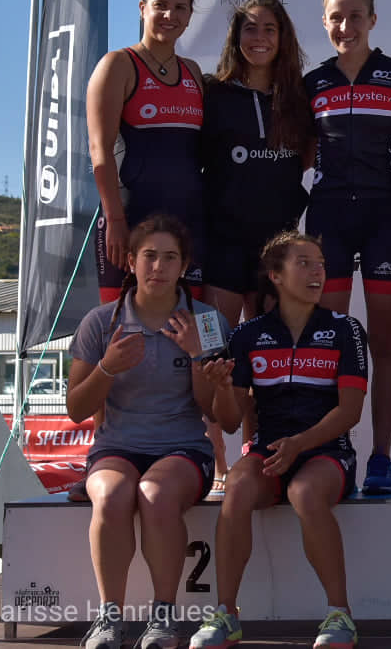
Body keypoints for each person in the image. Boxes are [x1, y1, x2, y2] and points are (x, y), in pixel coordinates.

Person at [190, 232, 368, 649]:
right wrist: (221, 388)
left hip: (328, 452)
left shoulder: (344, 329)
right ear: (275, 275)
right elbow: (229, 422)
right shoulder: (247, 335)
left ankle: (340, 615)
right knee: (236, 488)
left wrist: (300, 444)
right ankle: (226, 614)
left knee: (305, 492)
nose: (317, 272)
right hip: (269, 452)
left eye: (320, 263)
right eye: (304, 263)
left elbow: (350, 412)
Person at [66, 214, 225, 649]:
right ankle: (109, 618)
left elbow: (216, 412)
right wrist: (106, 368)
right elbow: (76, 409)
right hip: (117, 448)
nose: (158, 266)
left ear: (184, 266)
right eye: (149, 256)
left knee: (155, 494)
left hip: (184, 449)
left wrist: (198, 357)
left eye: (170, 257)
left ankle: (163, 617)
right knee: (111, 495)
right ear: (131, 261)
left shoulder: (206, 321)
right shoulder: (101, 322)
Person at [303, 0, 391, 495]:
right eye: (336, 18)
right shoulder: (313, 83)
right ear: (324, 22)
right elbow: (300, 157)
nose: (346, 27)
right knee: (330, 340)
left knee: (383, 342)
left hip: (382, 221)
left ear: (373, 20)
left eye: (355, 17)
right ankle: (332, 447)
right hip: (328, 221)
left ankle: (380, 457)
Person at [87, 0, 205, 303]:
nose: (170, 15)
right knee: (121, 324)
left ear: (190, 15)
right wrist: (114, 218)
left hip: (187, 220)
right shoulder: (118, 65)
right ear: (143, 8)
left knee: (188, 323)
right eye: (160, 5)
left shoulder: (193, 71)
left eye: (180, 8)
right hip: (131, 218)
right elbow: (99, 150)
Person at [200, 0, 313, 328]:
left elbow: (306, 157)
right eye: (250, 28)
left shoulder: (298, 98)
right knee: (213, 347)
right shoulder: (213, 92)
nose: (259, 38)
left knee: (273, 349)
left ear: (282, 38)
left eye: (269, 29)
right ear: (236, 37)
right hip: (223, 244)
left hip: (278, 243)